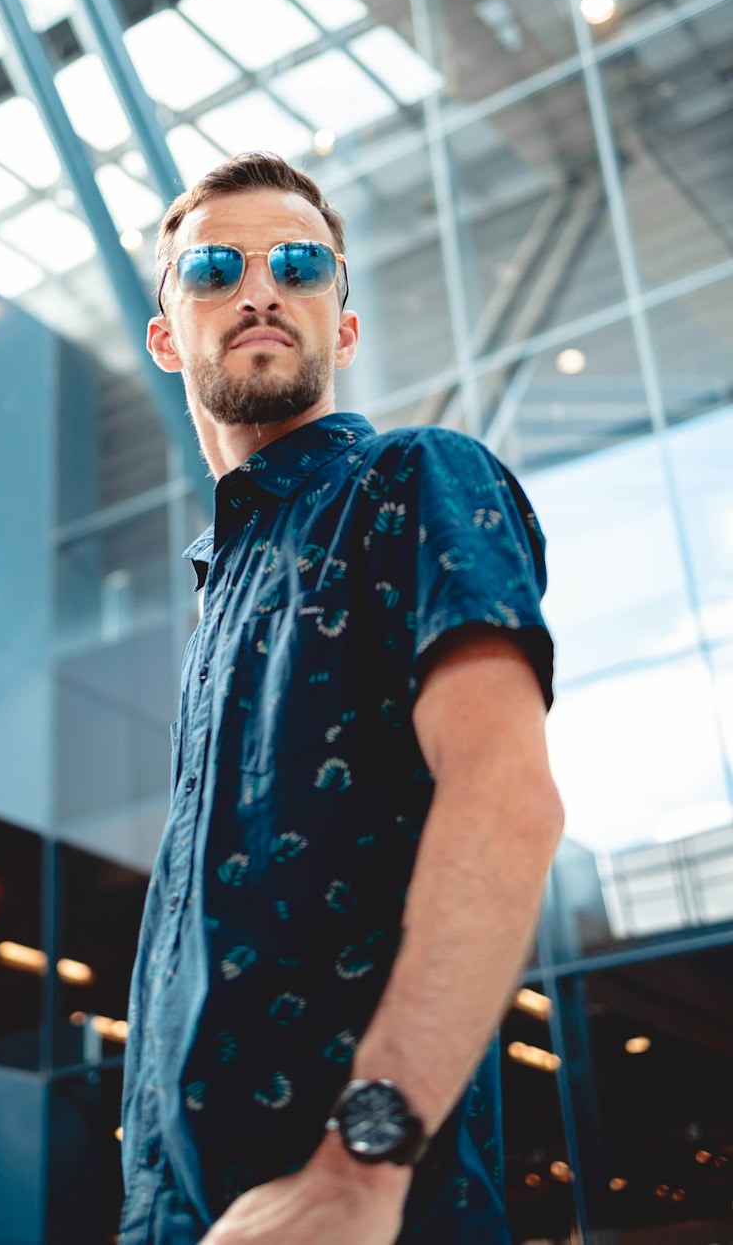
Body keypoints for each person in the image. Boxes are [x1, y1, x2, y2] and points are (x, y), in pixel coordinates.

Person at [118, 152, 564, 1245]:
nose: (260, 289)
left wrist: (364, 1162)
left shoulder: (414, 482)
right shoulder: (218, 595)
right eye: (216, 267)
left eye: (302, 266)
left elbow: (508, 798)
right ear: (168, 334)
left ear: (343, 329)